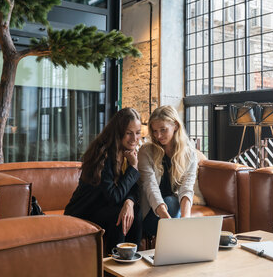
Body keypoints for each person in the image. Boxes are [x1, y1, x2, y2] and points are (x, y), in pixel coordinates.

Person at [64, 107, 143, 253]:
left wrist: (129, 203)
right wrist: (133, 167)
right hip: (85, 211)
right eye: (128, 133)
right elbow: (114, 197)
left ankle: (133, 263)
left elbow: (133, 189)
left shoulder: (128, 152)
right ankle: (113, 269)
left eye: (138, 133)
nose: (134, 139)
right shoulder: (103, 154)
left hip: (107, 208)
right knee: (118, 216)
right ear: (118, 132)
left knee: (135, 212)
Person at [138, 105, 198, 237]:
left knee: (173, 202)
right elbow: (150, 186)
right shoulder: (146, 151)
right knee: (170, 202)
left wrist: (186, 219)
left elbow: (186, 188)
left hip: (172, 210)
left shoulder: (189, 154)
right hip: (150, 212)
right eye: (154, 131)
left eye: (163, 130)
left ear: (175, 126)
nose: (158, 135)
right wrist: (168, 220)